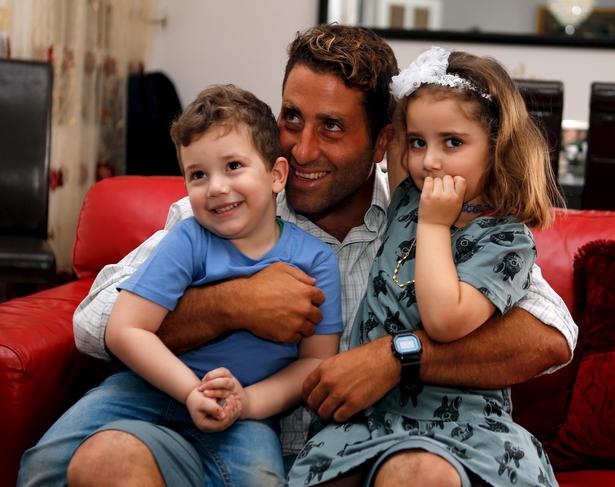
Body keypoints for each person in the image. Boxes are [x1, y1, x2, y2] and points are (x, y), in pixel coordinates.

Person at [20, 24, 577, 487]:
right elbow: (91, 323)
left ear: (383, 142)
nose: (300, 149)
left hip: (341, 452)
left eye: (332, 127)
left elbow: (550, 338)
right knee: (87, 462)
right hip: (191, 429)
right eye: (291, 118)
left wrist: (396, 356)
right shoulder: (228, 204)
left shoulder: (427, 218)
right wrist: (230, 305)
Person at [19, 84, 343, 486]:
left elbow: (314, 362)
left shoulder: (315, 258)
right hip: (145, 391)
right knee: (43, 465)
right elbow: (125, 329)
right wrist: (191, 391)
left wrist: (247, 403)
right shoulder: (188, 239)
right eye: (198, 175)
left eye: (234, 166)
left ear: (276, 175)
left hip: (243, 407)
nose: (217, 187)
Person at [288, 46, 563, 487]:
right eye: (418, 142)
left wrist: (434, 226)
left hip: (459, 426)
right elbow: (399, 134)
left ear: (497, 147)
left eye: (452, 142)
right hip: (371, 419)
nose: (430, 160)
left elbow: (445, 320)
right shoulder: (408, 196)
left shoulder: (504, 241)